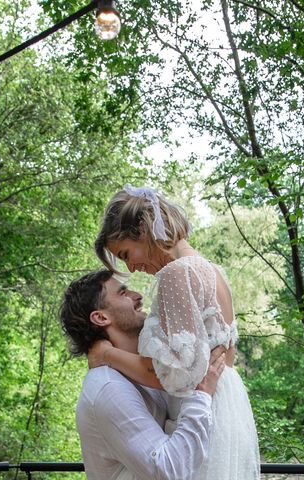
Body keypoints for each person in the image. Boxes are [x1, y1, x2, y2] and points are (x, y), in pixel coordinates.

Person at [90, 185, 260, 480]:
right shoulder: (212, 270)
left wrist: (108, 355)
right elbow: (227, 356)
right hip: (228, 412)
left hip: (200, 413)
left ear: (143, 229)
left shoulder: (175, 274)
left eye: (126, 253)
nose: (130, 266)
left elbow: (176, 375)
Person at [60, 269, 227, 480]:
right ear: (101, 317)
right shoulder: (108, 387)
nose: (137, 295)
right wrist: (201, 394)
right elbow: (168, 470)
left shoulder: (145, 370)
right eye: (123, 293)